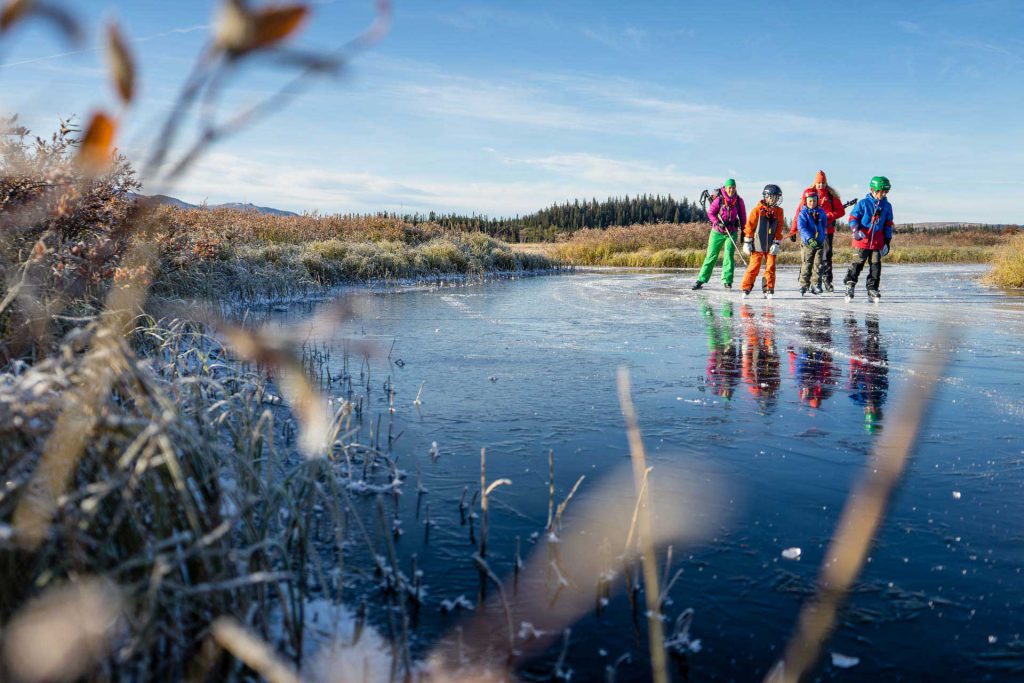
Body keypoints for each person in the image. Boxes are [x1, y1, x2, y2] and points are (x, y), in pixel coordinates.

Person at [788, 170, 846, 291]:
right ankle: (804, 281)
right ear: (815, 183)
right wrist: (793, 231)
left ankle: (827, 281)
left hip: (826, 232)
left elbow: (841, 211)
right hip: (809, 234)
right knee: (808, 258)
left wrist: (828, 216)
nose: (821, 185)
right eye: (819, 183)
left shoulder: (831, 196)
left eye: (823, 183)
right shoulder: (808, 195)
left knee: (826, 257)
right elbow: (798, 215)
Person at [844, 176, 894, 302]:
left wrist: (887, 242)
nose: (883, 194)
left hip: (878, 243)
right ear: (873, 189)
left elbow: (888, 224)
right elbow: (852, 218)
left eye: (885, 192)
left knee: (876, 267)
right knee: (857, 264)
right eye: (881, 191)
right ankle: (850, 284)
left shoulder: (887, 206)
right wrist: (855, 230)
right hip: (862, 241)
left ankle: (872, 288)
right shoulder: (863, 203)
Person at [693, 179, 747, 290]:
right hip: (717, 232)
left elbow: (743, 217)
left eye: (733, 188)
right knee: (711, 255)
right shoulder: (719, 200)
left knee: (728, 256)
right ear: (726, 188)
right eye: (729, 188)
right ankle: (701, 280)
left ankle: (727, 281)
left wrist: (744, 232)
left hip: (731, 232)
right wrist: (718, 223)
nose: (731, 190)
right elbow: (711, 213)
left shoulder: (739, 201)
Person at [739, 184, 785, 299]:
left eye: (777, 197)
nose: (776, 200)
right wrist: (747, 242)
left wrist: (777, 242)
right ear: (767, 196)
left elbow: (779, 228)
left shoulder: (779, 211)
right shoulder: (757, 210)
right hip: (757, 244)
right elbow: (749, 226)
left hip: (771, 246)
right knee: (754, 267)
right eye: (774, 197)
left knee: (770, 267)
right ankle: (746, 288)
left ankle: (768, 289)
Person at [795, 188, 828, 295]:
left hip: (819, 243)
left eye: (814, 200)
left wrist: (822, 237)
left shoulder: (821, 212)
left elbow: (823, 226)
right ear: (806, 201)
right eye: (810, 201)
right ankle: (804, 285)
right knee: (807, 264)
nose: (812, 203)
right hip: (807, 244)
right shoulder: (803, 214)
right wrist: (809, 238)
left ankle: (816, 285)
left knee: (818, 264)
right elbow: (802, 228)